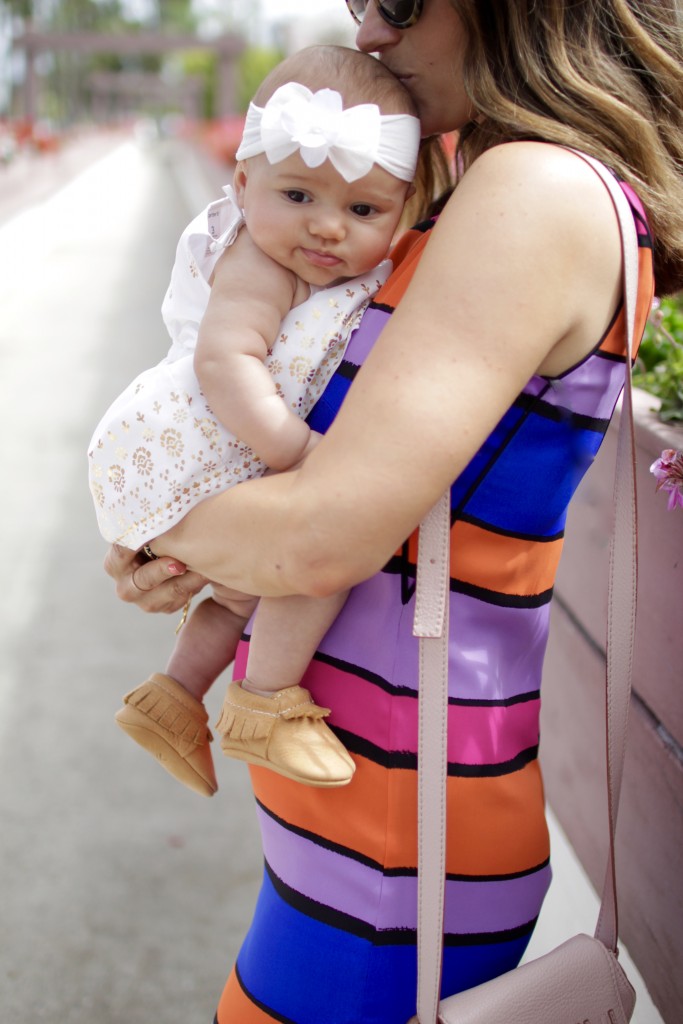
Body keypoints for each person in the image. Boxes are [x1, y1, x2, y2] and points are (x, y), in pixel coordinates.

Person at [103, 1, 683, 1021]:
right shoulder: (481, 186)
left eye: (397, 0)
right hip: (370, 824)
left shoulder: (533, 190)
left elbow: (322, 532)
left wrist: (152, 505)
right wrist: (181, 533)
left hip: (392, 846)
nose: (367, 30)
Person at [88, 45, 420, 797]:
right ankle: (264, 703)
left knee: (241, 594)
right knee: (318, 552)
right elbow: (225, 363)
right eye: (298, 196)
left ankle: (171, 698)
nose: (328, 228)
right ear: (242, 184)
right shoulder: (257, 262)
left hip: (209, 449)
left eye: (363, 210)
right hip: (187, 441)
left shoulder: (308, 256)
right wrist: (299, 452)